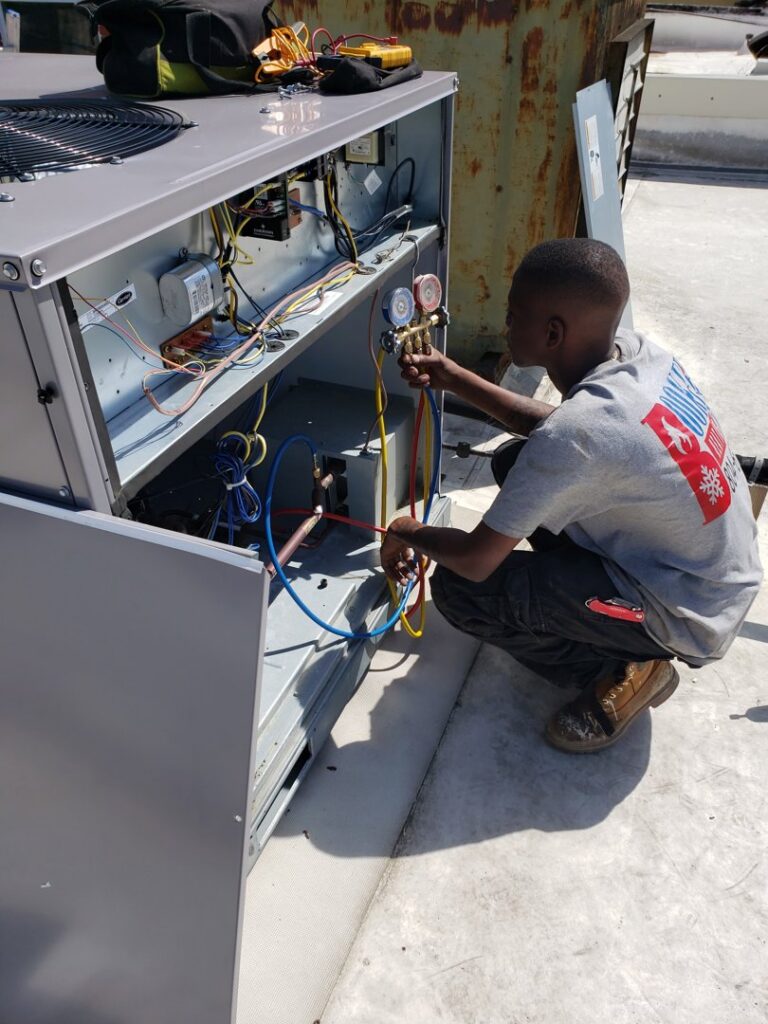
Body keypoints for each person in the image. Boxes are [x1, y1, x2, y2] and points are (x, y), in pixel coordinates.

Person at [380, 238, 762, 753]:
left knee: (460, 592)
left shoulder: (580, 436)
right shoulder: (639, 357)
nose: (507, 323)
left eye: (515, 315)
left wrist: (406, 531)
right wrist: (455, 379)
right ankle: (603, 619)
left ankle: (626, 668)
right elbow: (562, 434)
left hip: (687, 612)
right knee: (517, 462)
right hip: (699, 567)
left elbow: (473, 562)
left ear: (552, 333)